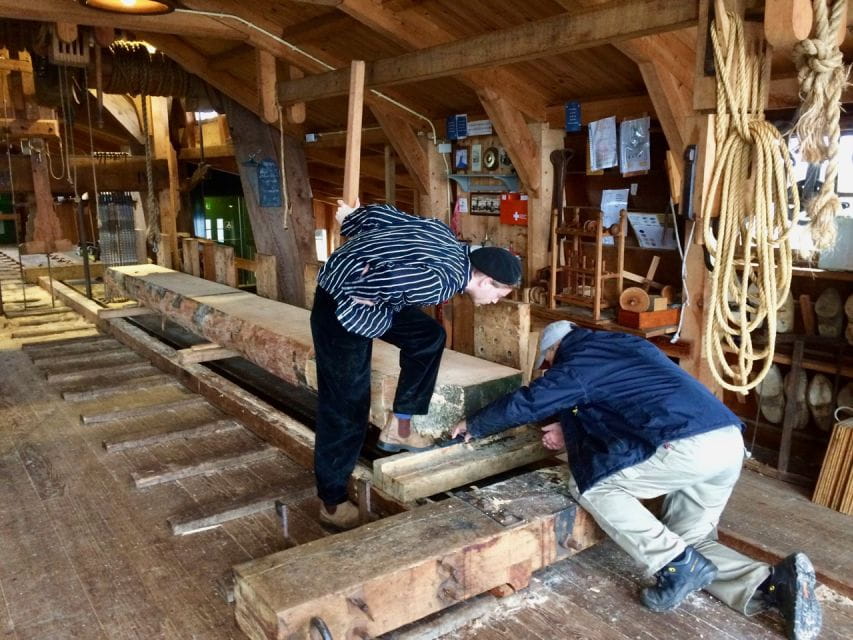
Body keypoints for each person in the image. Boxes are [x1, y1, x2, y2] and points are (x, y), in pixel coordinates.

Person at [451, 321, 822, 640]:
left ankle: (677, 566)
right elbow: (619, 405)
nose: (549, 371)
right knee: (687, 538)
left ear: (553, 352)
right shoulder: (625, 347)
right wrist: (570, 425)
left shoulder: (577, 360)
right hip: (726, 442)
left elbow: (533, 400)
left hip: (687, 446)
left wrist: (476, 424)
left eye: (548, 365)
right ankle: (772, 583)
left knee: (593, 485)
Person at [312, 200, 521, 530]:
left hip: (366, 292)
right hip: (341, 306)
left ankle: (401, 424)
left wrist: (351, 219)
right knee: (346, 403)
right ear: (483, 280)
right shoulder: (441, 283)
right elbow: (382, 281)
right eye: (499, 295)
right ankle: (332, 503)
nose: (495, 302)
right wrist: (364, 297)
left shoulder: (445, 236)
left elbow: (384, 215)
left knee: (428, 335)